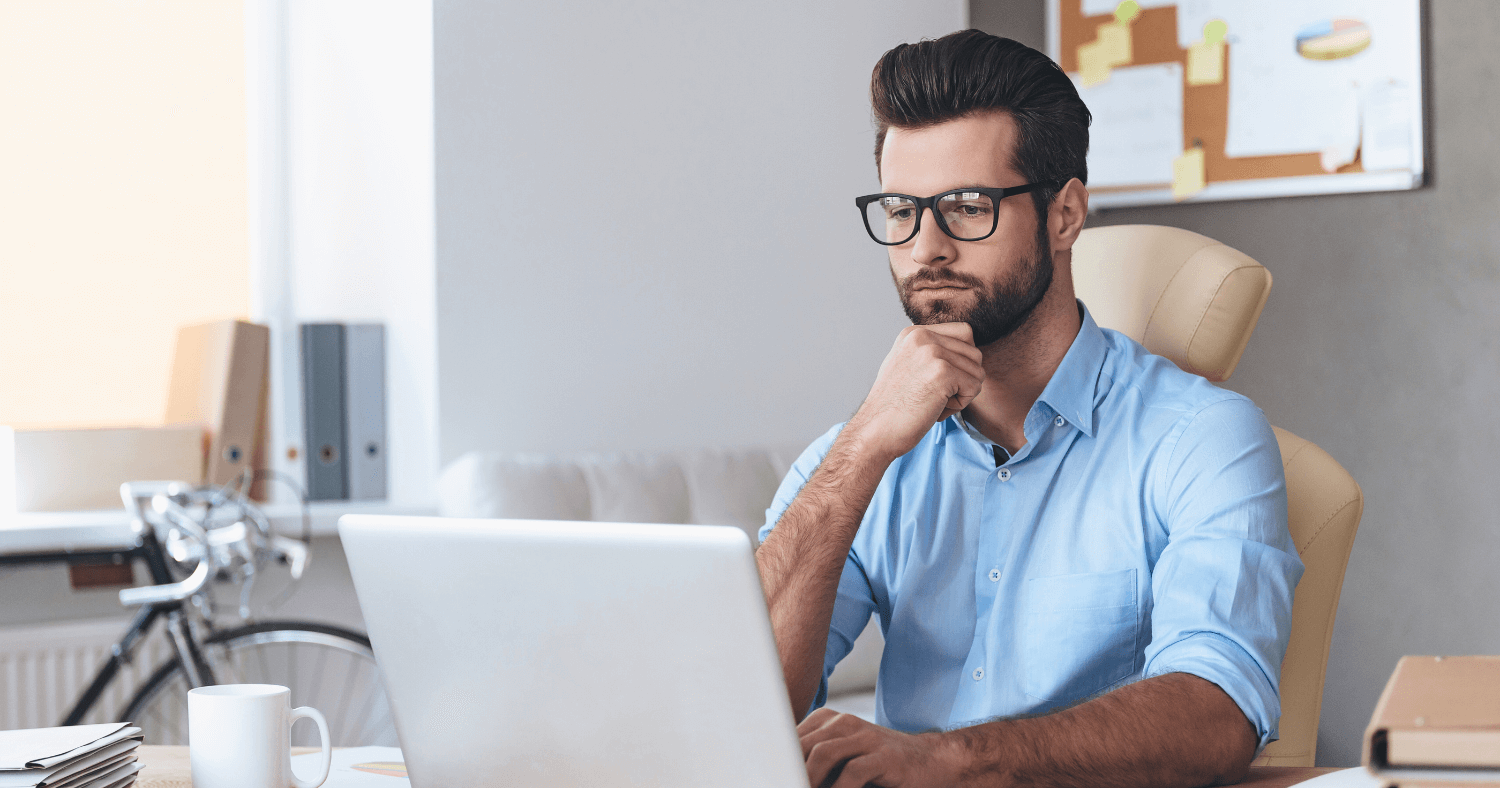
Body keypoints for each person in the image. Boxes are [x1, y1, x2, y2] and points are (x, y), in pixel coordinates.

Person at [754, 29, 1304, 788]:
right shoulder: (859, 450)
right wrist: (863, 452)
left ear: (1066, 215)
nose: (925, 250)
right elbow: (744, 701)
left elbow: (1217, 712)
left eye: (967, 208)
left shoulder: (1203, 438)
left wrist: (944, 759)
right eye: (901, 210)